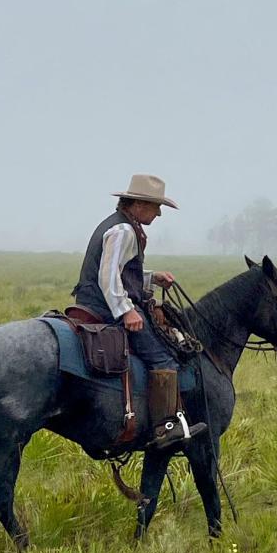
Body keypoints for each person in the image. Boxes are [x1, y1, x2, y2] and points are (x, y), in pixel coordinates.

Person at [73, 174, 207, 447]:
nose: (159, 213)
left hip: (96, 300)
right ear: (137, 204)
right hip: (106, 306)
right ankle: (164, 427)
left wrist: (151, 277)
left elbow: (120, 272)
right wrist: (126, 311)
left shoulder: (120, 225)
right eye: (155, 206)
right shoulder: (124, 231)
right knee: (163, 357)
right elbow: (108, 276)